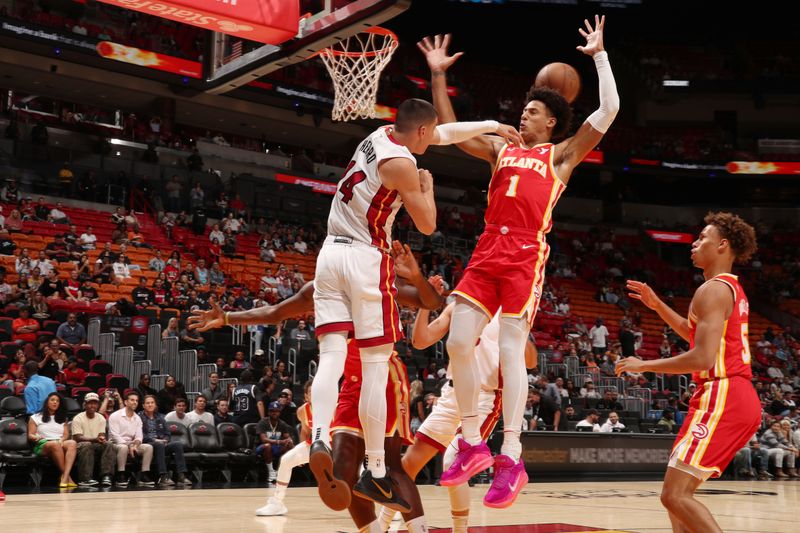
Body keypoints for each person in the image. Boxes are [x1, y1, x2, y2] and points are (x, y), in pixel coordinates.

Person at [418, 17, 619, 507]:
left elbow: (609, 109)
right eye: (522, 111)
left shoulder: (561, 156)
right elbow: (443, 132)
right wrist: (439, 75)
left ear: (549, 121)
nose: (522, 116)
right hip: (487, 250)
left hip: (526, 253)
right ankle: (470, 442)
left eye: (530, 112)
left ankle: (511, 454)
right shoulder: (500, 147)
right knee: (460, 344)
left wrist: (598, 56)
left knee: (510, 351)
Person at [309, 97, 519, 512]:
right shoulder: (404, 165)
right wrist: (427, 188)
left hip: (328, 254)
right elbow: (427, 223)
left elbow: (444, 134)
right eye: (431, 132)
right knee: (374, 365)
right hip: (364, 258)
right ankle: (376, 470)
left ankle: (318, 435)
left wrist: (492, 124)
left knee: (331, 354)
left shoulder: (379, 136)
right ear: (420, 130)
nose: (435, 139)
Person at [188, 240, 443, 532]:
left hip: (383, 375)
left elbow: (429, 301)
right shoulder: (321, 285)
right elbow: (276, 312)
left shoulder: (378, 277)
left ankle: (419, 529)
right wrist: (228, 317)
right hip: (349, 382)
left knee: (389, 466)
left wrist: (414, 276)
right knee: (342, 478)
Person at [617, 212, 761, 533]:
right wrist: (657, 306)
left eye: (701, 239)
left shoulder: (712, 290)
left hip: (722, 395)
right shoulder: (728, 288)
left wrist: (644, 365)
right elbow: (693, 333)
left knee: (675, 495)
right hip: (729, 396)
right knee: (677, 498)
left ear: (722, 245)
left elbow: (702, 358)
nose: (693, 245)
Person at [395, 303, 536, 530]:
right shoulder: (459, 306)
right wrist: (424, 307)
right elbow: (420, 341)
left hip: (485, 397)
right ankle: (382, 524)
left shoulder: (511, 311)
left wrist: (522, 334)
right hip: (452, 393)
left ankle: (460, 529)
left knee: (453, 460)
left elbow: (530, 362)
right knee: (408, 464)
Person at [256, 380, 313, 516]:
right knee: (287, 460)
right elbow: (305, 431)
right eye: (312, 392)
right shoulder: (302, 411)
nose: (316, 394)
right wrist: (303, 450)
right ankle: (277, 503)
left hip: (336, 445)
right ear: (306, 396)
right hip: (315, 445)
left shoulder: (335, 407)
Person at [27, 392, 78, 488]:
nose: (55, 403)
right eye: (52, 400)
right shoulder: (35, 417)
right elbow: (30, 435)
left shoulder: (62, 418)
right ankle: (68, 478)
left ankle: (65, 476)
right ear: (47, 402)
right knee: (54, 444)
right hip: (42, 444)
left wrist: (62, 440)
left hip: (58, 442)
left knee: (72, 443)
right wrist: (36, 437)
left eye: (57, 401)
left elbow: (66, 434)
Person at [139, 395, 191, 486]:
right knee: (159, 445)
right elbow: (139, 434)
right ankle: (163, 476)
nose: (150, 405)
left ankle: (181, 475)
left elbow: (167, 433)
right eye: (148, 403)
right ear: (143, 405)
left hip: (161, 443)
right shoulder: (139, 417)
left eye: (152, 403)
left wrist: (165, 440)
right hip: (147, 444)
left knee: (177, 444)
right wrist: (155, 440)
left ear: (155, 405)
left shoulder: (160, 417)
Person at [108, 391, 155, 488]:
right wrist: (129, 445)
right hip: (115, 443)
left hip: (131, 444)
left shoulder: (137, 418)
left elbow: (139, 436)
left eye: (137, 401)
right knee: (123, 448)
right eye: (132, 400)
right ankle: (121, 474)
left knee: (148, 447)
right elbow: (115, 436)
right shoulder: (115, 416)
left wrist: (135, 445)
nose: (135, 402)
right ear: (125, 402)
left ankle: (144, 474)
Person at [72, 392, 116, 487]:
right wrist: (94, 439)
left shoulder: (101, 418)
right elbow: (78, 438)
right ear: (85, 404)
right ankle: (85, 479)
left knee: (109, 444)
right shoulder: (78, 418)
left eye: (95, 403)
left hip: (94, 444)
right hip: (79, 446)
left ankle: (106, 476)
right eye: (90, 403)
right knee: (87, 444)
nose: (93, 405)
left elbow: (101, 435)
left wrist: (101, 439)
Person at [256, 401, 295, 485]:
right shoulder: (263, 422)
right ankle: (271, 473)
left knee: (288, 446)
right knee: (267, 446)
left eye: (276, 411)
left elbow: (287, 437)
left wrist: (289, 441)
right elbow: (263, 439)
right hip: (261, 447)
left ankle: (279, 471)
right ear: (268, 412)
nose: (274, 413)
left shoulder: (282, 423)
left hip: (276, 448)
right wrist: (279, 441)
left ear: (279, 412)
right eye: (272, 411)